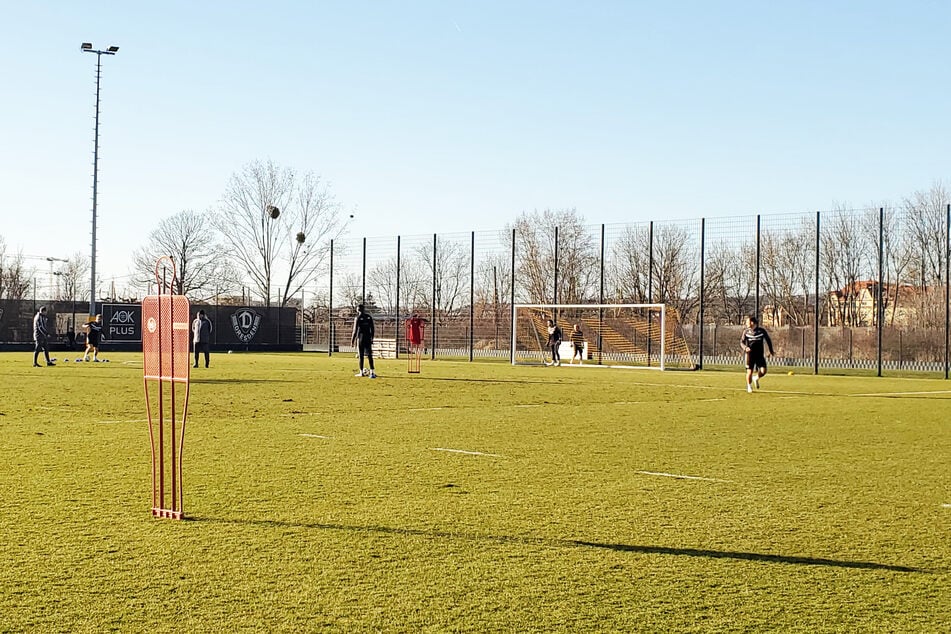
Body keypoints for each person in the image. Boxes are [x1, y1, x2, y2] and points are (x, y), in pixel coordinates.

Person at [740, 315, 774, 393]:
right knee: (749, 372)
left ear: (752, 323)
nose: (746, 323)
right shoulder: (746, 332)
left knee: (763, 371)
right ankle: (749, 386)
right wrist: (745, 348)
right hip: (750, 355)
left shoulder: (761, 331)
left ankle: (756, 378)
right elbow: (741, 342)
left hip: (759, 355)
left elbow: (768, 340)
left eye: (747, 322)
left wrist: (771, 350)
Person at [352, 304, 376, 378]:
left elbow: (355, 330)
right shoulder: (369, 317)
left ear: (358, 310)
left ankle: (361, 372)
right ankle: (372, 372)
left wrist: (352, 340)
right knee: (369, 355)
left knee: (361, 355)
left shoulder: (357, 318)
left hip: (361, 338)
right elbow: (372, 329)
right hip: (368, 338)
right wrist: (372, 338)